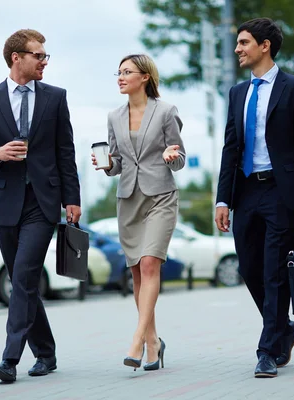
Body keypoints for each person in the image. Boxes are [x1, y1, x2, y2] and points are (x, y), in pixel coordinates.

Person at [0, 29, 81, 383]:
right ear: (17, 58)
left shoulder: (56, 98)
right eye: (38, 55)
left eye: (45, 56)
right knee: (22, 280)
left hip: (43, 202)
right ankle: (46, 352)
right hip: (4, 201)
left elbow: (65, 151)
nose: (44, 61)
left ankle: (10, 359)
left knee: (24, 275)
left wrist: (72, 198)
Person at [215, 18, 294, 378]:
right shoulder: (237, 93)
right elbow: (231, 148)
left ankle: (267, 350)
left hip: (281, 192)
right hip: (246, 192)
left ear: (265, 46)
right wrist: (222, 200)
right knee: (249, 267)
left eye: (244, 42)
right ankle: (285, 330)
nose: (237, 49)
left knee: (275, 270)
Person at [92, 54, 185, 371]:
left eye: (127, 72)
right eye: (118, 72)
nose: (120, 77)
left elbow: (179, 156)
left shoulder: (166, 111)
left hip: (160, 194)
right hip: (128, 198)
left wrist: (172, 155)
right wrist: (107, 165)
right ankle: (154, 342)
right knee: (136, 273)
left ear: (145, 77)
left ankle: (137, 340)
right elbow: (117, 161)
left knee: (149, 264)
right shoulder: (114, 116)